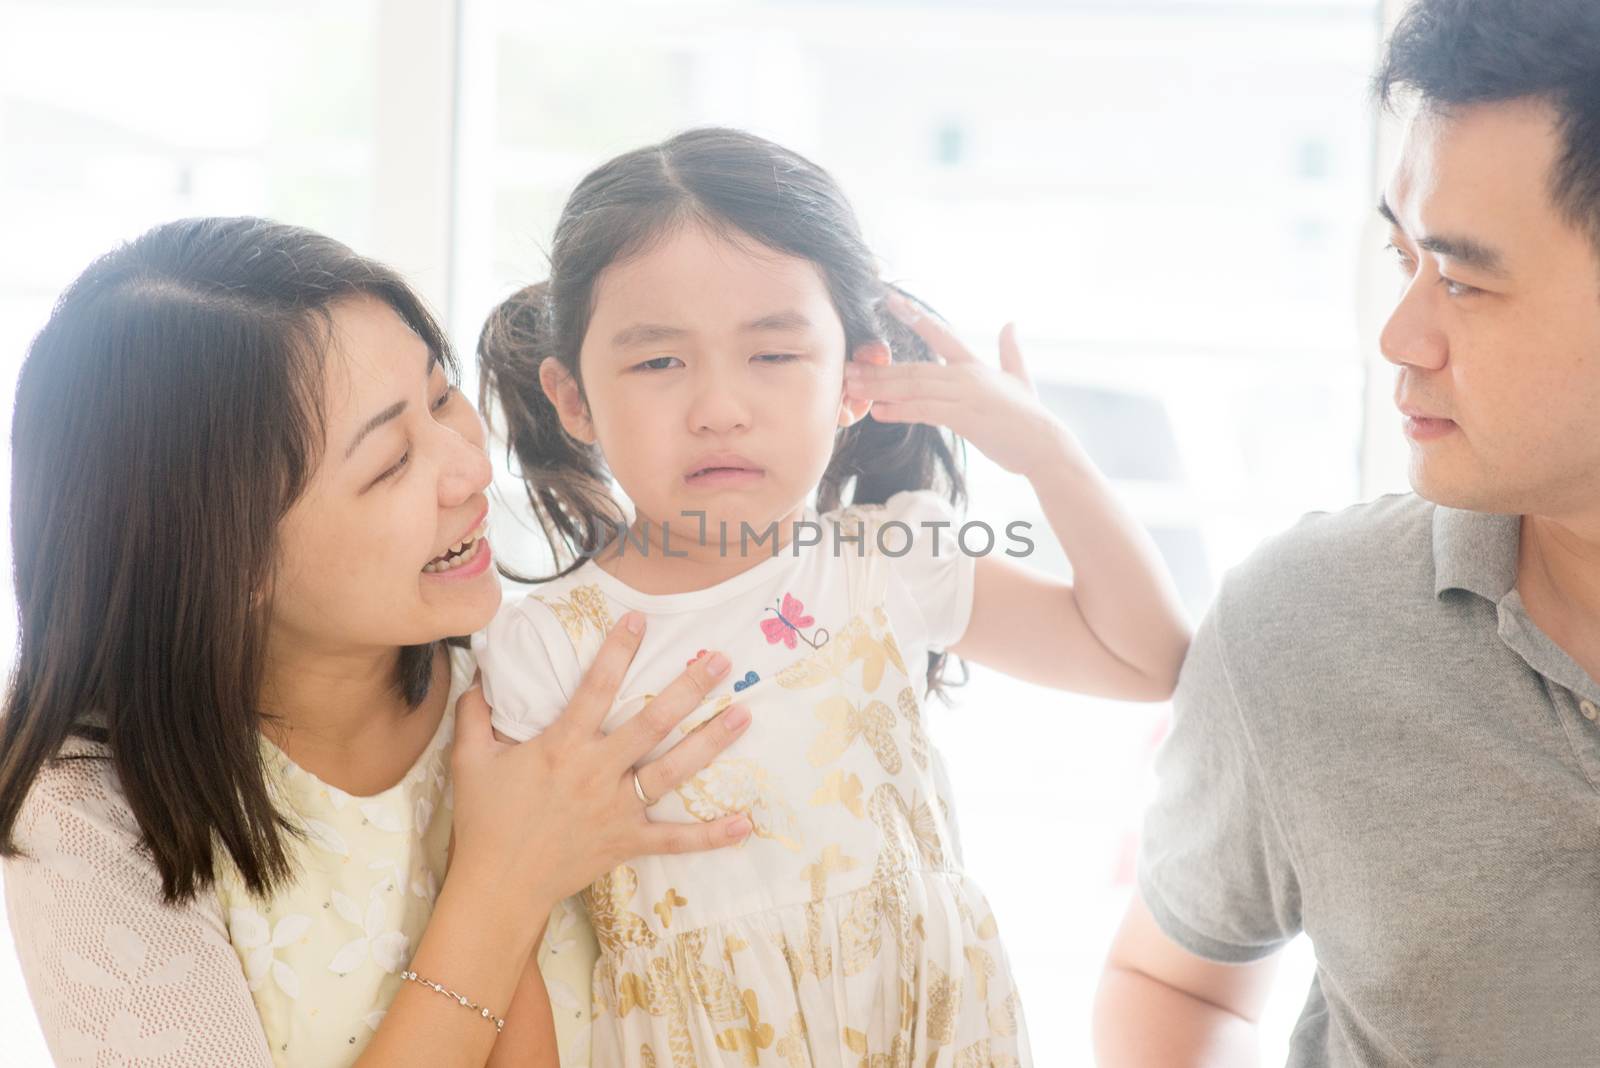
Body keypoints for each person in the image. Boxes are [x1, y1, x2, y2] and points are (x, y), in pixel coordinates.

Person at [471, 127, 1192, 1066]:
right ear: (573, 399)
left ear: (856, 379)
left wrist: (1048, 455)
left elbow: (1146, 658)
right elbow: (511, 916)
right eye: (659, 362)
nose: (720, 406)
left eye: (773, 355)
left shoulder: (884, 562)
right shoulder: (550, 650)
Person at [0, 216, 757, 1067]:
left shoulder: (545, 667)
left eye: (441, 398)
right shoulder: (88, 807)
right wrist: (503, 883)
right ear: (223, 555)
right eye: (392, 461)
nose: (472, 469)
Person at [1093, 2, 1600, 1064]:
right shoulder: (1302, 622)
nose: (1399, 335)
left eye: (1461, 279)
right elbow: (1173, 981)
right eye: (1399, 253)